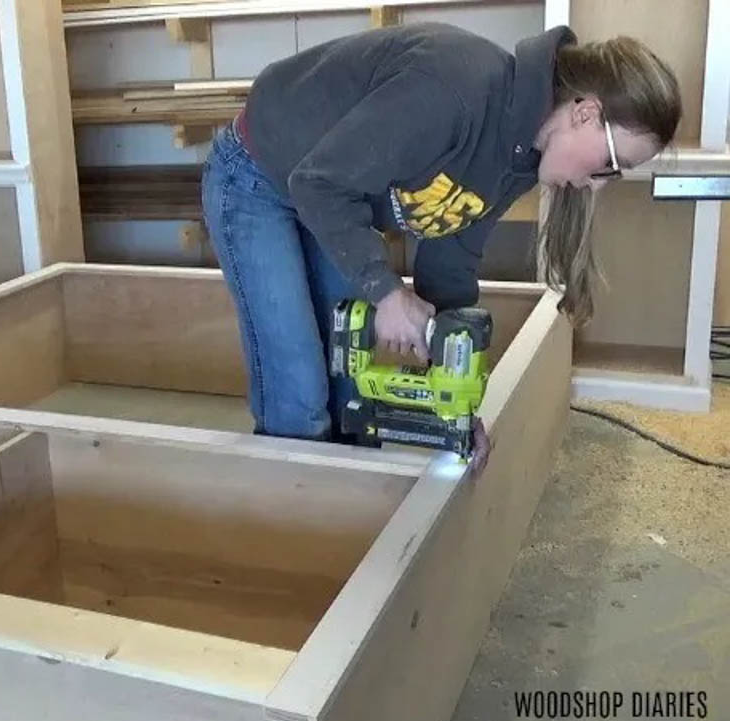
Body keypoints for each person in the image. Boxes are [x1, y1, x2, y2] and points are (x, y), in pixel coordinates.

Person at [201, 22, 680, 471]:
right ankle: (292, 538)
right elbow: (318, 183)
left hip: (328, 197)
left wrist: (452, 405)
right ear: (585, 112)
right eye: (612, 165)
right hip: (258, 176)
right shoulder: (454, 93)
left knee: (347, 388)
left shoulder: (518, 157)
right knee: (300, 393)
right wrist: (386, 291)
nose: (600, 186)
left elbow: (450, 254)